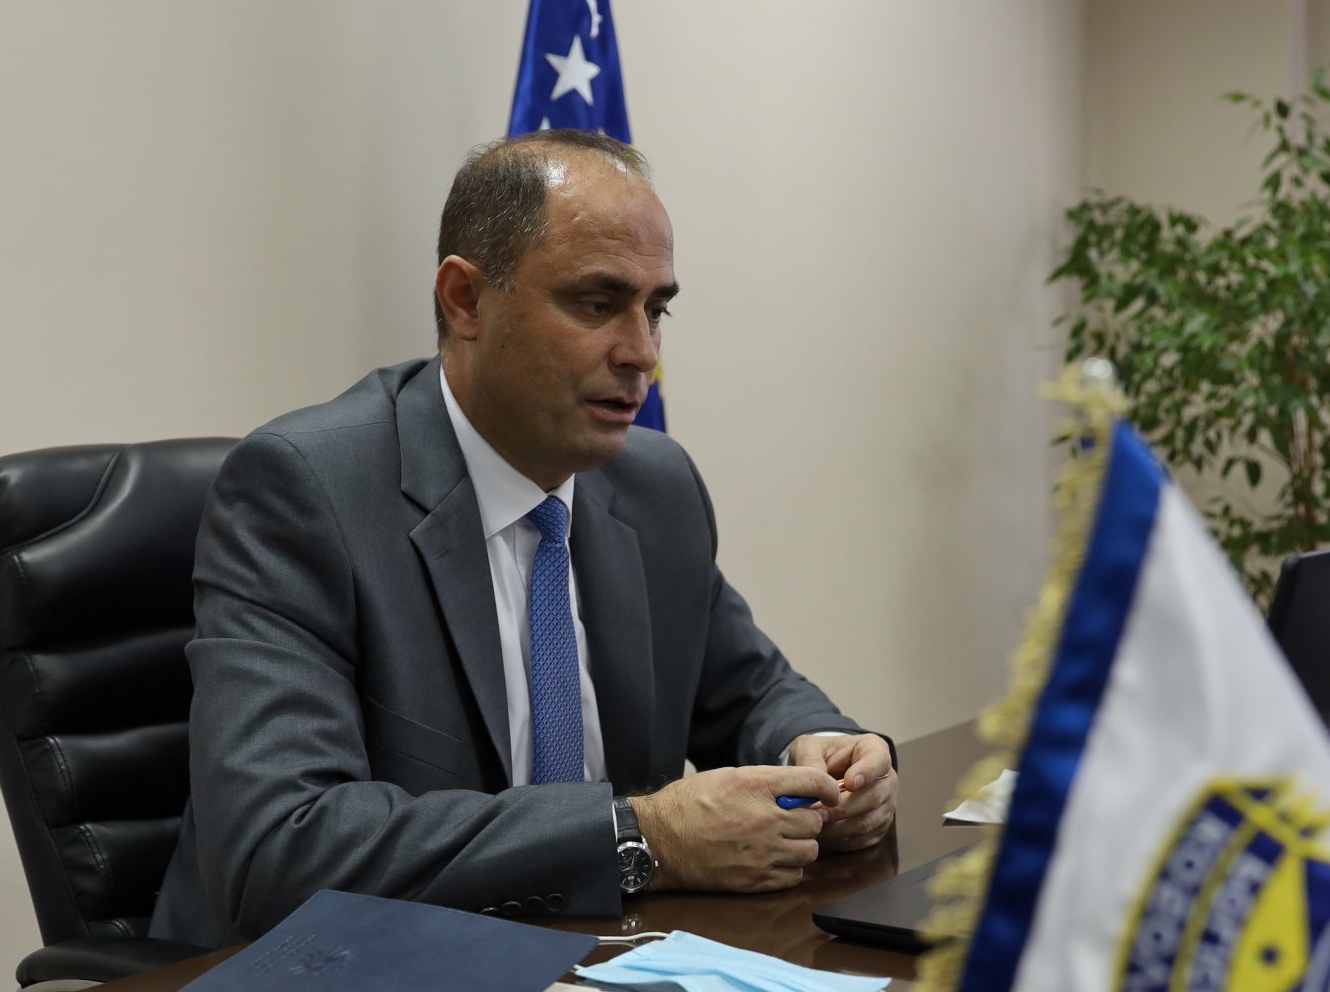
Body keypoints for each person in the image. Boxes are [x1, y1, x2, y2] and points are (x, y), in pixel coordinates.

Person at [150, 129, 896, 947]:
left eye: (656, 311)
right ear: (465, 300)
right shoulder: (306, 492)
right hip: (319, 987)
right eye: (597, 304)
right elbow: (279, 848)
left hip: (593, 973)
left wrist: (826, 751)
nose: (642, 355)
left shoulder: (655, 487)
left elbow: (750, 693)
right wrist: (639, 836)